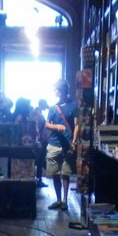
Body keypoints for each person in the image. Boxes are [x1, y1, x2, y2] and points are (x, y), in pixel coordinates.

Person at [44, 79, 79, 211]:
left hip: (67, 145)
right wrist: (56, 126)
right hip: (54, 143)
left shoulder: (73, 106)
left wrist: (74, 141)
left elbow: (77, 125)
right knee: (55, 173)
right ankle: (58, 199)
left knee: (65, 173)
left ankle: (64, 200)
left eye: (57, 90)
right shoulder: (53, 108)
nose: (55, 92)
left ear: (62, 90)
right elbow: (47, 124)